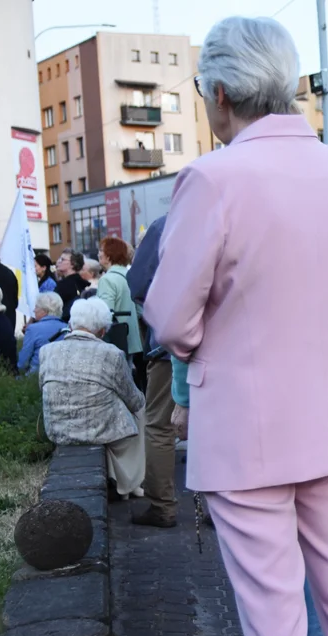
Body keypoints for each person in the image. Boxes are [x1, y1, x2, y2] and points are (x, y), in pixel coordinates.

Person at [143, 16, 328, 636]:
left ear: (219, 93)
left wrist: (199, 342)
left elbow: (168, 318)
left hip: (244, 430)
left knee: (276, 615)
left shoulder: (213, 179)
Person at [40, 298, 145, 499]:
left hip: (58, 429)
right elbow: (133, 399)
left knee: (106, 406)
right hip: (99, 429)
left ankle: (115, 480)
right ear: (103, 331)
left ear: (70, 325)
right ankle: (129, 483)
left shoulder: (47, 351)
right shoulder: (112, 354)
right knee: (137, 413)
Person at [126, 214, 179, 528]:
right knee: (216, 426)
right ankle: (221, 508)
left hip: (170, 345)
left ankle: (163, 506)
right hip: (228, 347)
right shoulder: (242, 216)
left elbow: (139, 285)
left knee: (160, 425)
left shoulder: (166, 225)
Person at [96, 237, 142, 358]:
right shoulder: (130, 276)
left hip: (113, 340)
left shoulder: (107, 279)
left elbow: (105, 313)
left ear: (109, 255)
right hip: (131, 339)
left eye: (101, 250)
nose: (98, 253)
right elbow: (139, 310)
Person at [18, 292, 67, 374]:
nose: (34, 310)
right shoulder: (67, 328)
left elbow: (23, 362)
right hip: (60, 374)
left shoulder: (32, 329)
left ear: (45, 310)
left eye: (36, 307)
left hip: (36, 375)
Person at [55, 249, 89, 321]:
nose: (59, 261)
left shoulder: (64, 285)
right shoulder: (82, 282)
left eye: (62, 259)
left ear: (73, 264)